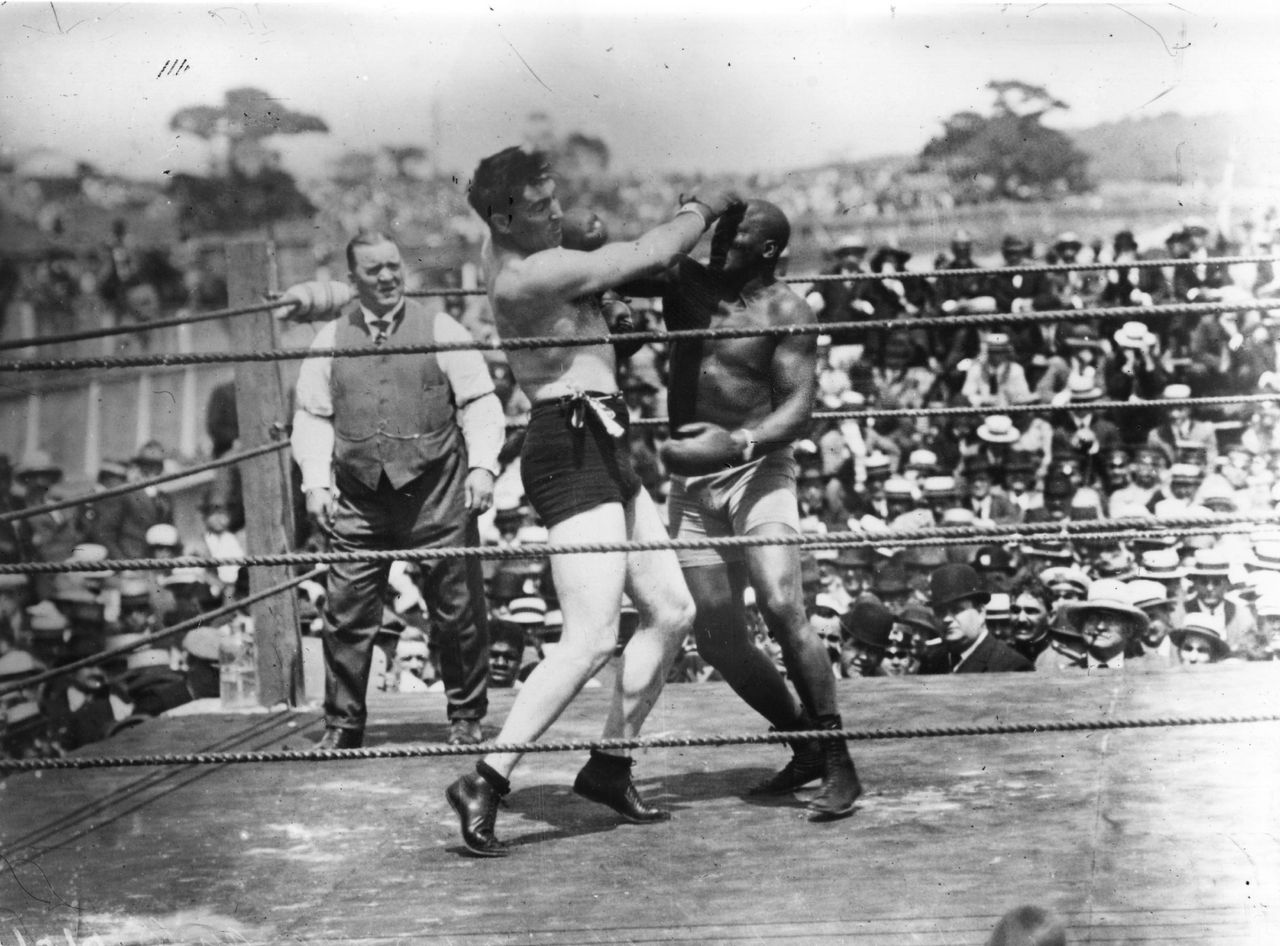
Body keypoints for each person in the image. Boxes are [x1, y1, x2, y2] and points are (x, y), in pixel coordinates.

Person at [445, 146, 713, 857]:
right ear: (504, 218)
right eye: (540, 207)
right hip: (567, 447)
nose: (556, 213)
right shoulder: (531, 273)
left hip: (605, 439)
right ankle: (487, 779)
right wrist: (701, 210)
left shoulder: (506, 241)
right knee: (592, 636)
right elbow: (648, 253)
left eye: (553, 198)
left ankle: (610, 765)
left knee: (673, 609)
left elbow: (576, 240)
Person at [657, 197, 862, 822]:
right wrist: (695, 210)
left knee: (781, 603)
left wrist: (740, 442)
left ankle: (837, 760)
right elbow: (646, 257)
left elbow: (798, 408)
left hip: (758, 469)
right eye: (716, 232)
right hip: (694, 481)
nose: (717, 243)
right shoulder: (685, 284)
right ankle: (803, 743)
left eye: (734, 235)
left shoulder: (788, 310)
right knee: (716, 635)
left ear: (769, 250)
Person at [290, 230, 504, 750]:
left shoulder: (442, 328)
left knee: (456, 608)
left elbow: (479, 400)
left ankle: (466, 715)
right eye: (373, 270)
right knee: (345, 611)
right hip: (361, 496)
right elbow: (313, 415)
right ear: (352, 280)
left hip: (436, 490)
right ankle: (342, 725)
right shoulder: (329, 340)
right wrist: (315, 482)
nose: (386, 277)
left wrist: (482, 468)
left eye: (392, 266)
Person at [921, 563, 1033, 673]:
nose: (946, 619)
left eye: (956, 610)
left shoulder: (1011, 666)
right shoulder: (931, 662)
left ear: (980, 613)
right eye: (940, 612)